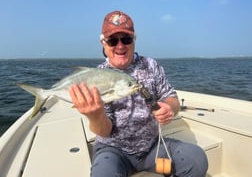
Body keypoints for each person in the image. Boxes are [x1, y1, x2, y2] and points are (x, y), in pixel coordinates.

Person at [69, 10, 208, 177]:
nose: (120, 46)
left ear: (134, 39)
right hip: (113, 151)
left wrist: (169, 107)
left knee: (197, 160)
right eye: (113, 41)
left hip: (152, 147)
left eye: (126, 39)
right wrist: (95, 115)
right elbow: (104, 132)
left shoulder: (150, 65)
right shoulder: (97, 77)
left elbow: (171, 98)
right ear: (103, 43)